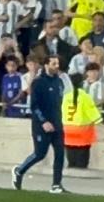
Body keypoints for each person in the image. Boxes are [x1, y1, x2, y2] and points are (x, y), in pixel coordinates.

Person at [12, 54, 66, 193]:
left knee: (60, 153)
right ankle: (19, 170)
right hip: (42, 125)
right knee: (40, 153)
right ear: (46, 65)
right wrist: (44, 121)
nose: (57, 67)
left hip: (57, 123)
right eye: (54, 64)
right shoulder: (39, 82)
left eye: (57, 63)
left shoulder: (59, 82)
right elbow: (34, 106)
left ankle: (56, 184)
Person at [62, 74, 102, 169]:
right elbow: (93, 114)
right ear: (82, 83)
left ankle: (71, 168)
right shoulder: (85, 97)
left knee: (70, 151)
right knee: (82, 154)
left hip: (68, 128)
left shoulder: (66, 97)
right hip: (83, 130)